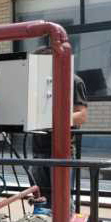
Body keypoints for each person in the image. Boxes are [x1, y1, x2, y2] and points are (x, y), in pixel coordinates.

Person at [30, 48, 89, 209]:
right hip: (38, 149)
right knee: (40, 198)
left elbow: (81, 116)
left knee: (61, 200)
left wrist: (54, 120)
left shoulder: (74, 81)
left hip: (62, 151)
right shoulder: (36, 83)